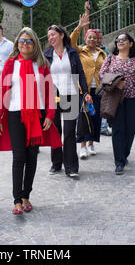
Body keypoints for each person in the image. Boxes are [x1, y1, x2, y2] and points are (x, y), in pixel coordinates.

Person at [0, 27, 62, 215]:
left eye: (29, 41)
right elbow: (2, 91)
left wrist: (49, 115)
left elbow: (50, 92)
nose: (25, 44)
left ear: (34, 44)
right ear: (17, 43)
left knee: (32, 157)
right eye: (22, 41)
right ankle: (16, 200)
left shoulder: (42, 64)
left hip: (37, 115)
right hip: (16, 115)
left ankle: (26, 196)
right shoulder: (10, 64)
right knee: (19, 157)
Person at [99, 32, 135, 175]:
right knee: (117, 129)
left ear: (130, 43)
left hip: (133, 98)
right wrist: (116, 83)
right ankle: (119, 161)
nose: (120, 41)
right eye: (118, 39)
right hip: (115, 99)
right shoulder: (110, 59)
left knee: (130, 129)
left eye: (124, 39)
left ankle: (124, 154)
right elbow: (101, 75)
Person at [44, 25, 91, 178]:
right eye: (49, 36)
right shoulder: (47, 54)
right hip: (53, 97)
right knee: (55, 130)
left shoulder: (71, 52)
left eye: (53, 35)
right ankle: (56, 163)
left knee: (69, 131)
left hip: (71, 95)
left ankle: (71, 166)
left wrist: (85, 92)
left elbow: (81, 73)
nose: (50, 38)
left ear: (62, 35)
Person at [71, 10, 107, 159]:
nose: (92, 39)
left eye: (95, 37)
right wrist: (79, 28)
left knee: (95, 117)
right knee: (83, 117)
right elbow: (71, 42)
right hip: (83, 90)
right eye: (89, 37)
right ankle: (83, 146)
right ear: (85, 38)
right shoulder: (80, 51)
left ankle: (92, 144)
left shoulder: (102, 54)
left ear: (98, 40)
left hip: (98, 90)